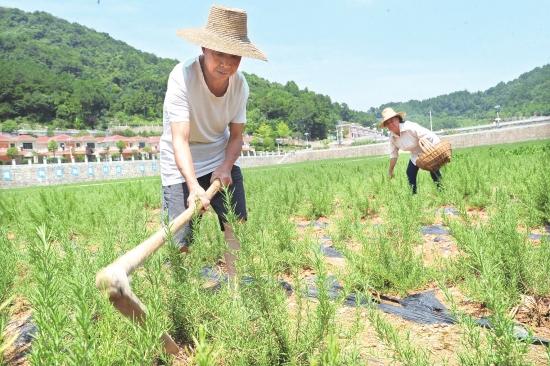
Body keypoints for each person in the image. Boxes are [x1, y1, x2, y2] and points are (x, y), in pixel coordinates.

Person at [160, 5, 267, 278]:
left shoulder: (240, 85)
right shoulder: (182, 77)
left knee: (235, 223)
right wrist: (194, 185)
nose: (226, 63)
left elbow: (237, 135)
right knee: (180, 241)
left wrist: (225, 167)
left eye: (234, 56)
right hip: (180, 161)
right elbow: (180, 139)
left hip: (220, 157)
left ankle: (235, 291)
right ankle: (179, 294)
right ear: (204, 49)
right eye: (219, 53)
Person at [379, 107, 442, 194]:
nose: (391, 124)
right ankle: (413, 196)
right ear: (386, 126)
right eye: (388, 123)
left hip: (429, 146)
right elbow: (394, 154)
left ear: (398, 119)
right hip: (416, 153)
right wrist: (390, 170)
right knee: (410, 172)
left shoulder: (409, 127)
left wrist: (427, 149)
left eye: (392, 120)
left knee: (433, 168)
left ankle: (441, 190)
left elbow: (427, 135)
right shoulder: (392, 138)